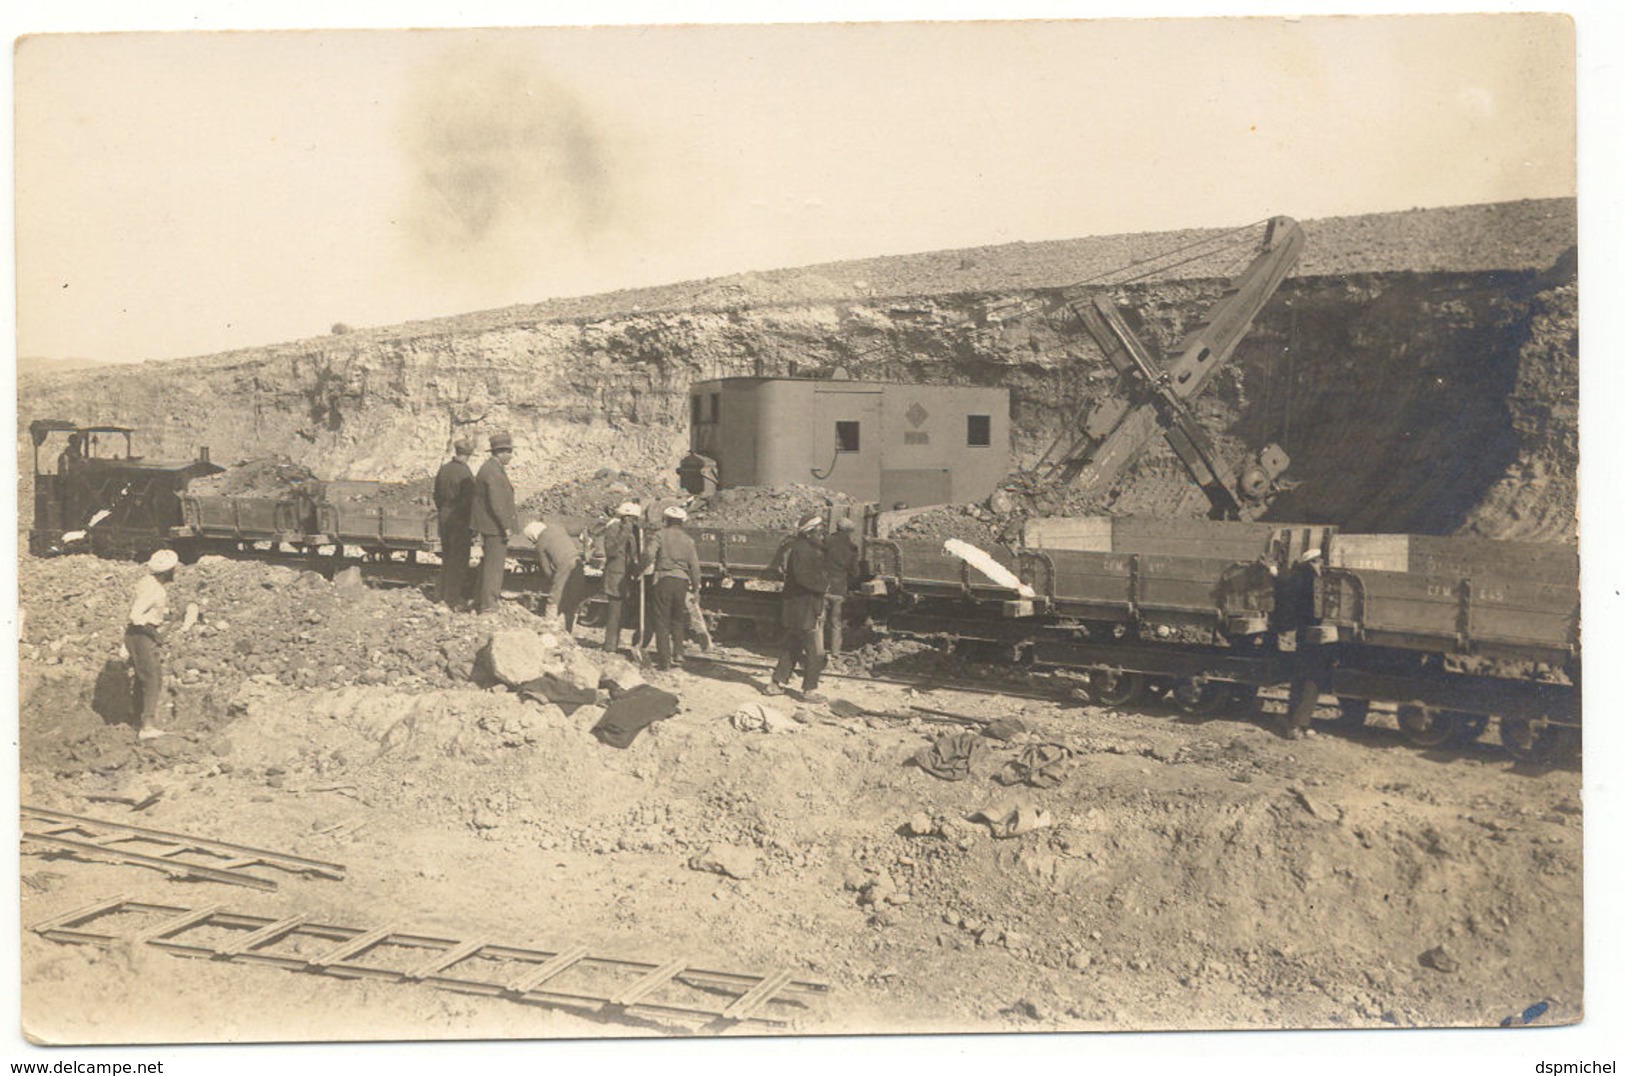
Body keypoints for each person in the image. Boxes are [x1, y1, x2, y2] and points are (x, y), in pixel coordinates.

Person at [764, 512, 829, 701]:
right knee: (815, 651)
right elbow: (803, 579)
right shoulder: (803, 551)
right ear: (808, 533)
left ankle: (775, 684)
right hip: (804, 609)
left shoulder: (804, 548)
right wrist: (826, 586)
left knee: (792, 646)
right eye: (819, 532)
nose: (822, 536)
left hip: (799, 609)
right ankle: (809, 691)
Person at [643, 505, 702, 670]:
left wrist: (640, 567)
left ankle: (665, 661)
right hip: (682, 583)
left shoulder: (660, 535)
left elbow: (648, 554)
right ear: (682, 522)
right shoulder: (688, 541)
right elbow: (695, 567)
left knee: (662, 621)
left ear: (666, 520)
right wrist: (696, 589)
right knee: (677, 619)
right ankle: (679, 654)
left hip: (664, 580)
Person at [127, 549, 178, 740]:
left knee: (144, 678)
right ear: (166, 572)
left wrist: (163, 616)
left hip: (135, 635)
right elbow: (135, 616)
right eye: (173, 569)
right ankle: (147, 728)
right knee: (152, 680)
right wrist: (154, 634)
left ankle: (137, 721)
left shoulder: (146, 582)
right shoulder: (155, 589)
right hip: (141, 636)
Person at [470, 432, 518, 614]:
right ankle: (489, 605)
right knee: (494, 567)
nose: (511, 456)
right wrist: (505, 526)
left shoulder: (491, 468)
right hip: (494, 528)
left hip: (490, 526)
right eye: (509, 452)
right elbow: (497, 503)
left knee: (488, 565)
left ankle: (479, 600)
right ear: (500, 452)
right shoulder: (493, 472)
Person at [432, 438, 475, 609]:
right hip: (459, 519)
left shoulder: (443, 469)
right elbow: (469, 501)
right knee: (459, 560)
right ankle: (452, 599)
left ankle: (441, 595)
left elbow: (436, 495)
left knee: (447, 556)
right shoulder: (465, 473)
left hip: (444, 515)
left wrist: (444, 509)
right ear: (468, 455)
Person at [523, 519, 588, 631]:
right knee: (573, 597)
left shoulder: (540, 543)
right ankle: (569, 629)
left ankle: (550, 625)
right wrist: (585, 538)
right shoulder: (556, 527)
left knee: (555, 597)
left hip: (563, 565)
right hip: (577, 561)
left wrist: (553, 581)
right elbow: (578, 528)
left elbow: (546, 568)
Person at [597, 502, 643, 653]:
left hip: (627, 577)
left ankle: (617, 644)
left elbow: (633, 554)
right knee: (615, 613)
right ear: (625, 518)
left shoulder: (632, 531)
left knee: (622, 613)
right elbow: (611, 551)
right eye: (632, 519)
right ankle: (610, 647)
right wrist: (624, 533)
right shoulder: (613, 529)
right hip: (615, 577)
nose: (634, 523)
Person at [822, 517, 861, 656]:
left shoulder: (825, 542)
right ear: (850, 532)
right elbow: (855, 573)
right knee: (836, 623)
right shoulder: (852, 548)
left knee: (818, 621)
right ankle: (835, 652)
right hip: (839, 589)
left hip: (822, 588)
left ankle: (816, 650)